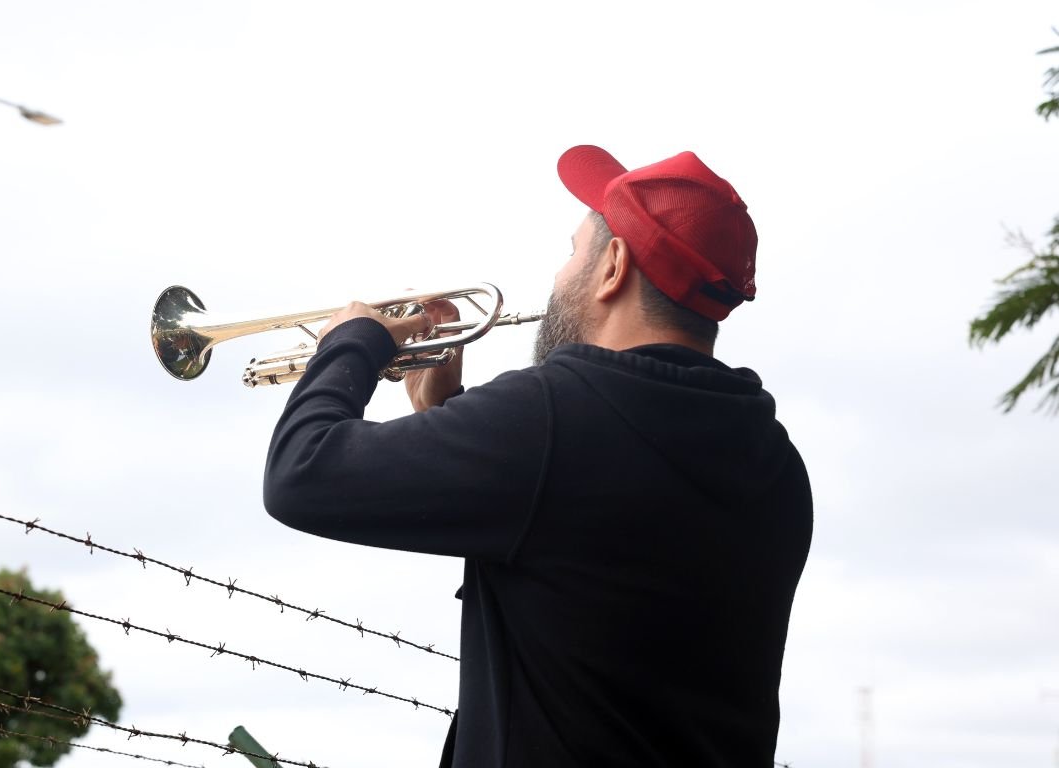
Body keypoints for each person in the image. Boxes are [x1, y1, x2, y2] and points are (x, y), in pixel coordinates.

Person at [263, 144, 812, 767]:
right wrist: (446, 414)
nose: (558, 278)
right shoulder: (775, 462)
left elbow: (301, 473)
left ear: (612, 266)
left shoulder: (554, 416)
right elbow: (579, 566)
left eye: (571, 251)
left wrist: (350, 342)